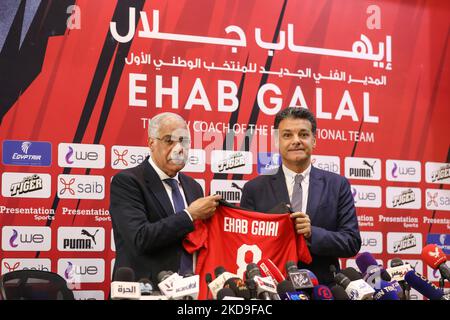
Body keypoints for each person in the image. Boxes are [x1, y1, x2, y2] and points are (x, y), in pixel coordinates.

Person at [240, 107, 361, 285]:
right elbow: (245, 244)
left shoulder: (337, 185)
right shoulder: (254, 189)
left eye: (303, 135)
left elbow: (351, 242)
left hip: (324, 290)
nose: (296, 141)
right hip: (272, 290)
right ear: (276, 141)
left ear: (314, 140)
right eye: (287, 135)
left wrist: (312, 233)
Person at [109, 112, 221, 286]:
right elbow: (140, 238)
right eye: (169, 140)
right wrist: (189, 215)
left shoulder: (194, 187)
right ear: (151, 143)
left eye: (183, 141)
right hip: (145, 291)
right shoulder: (127, 182)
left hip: (189, 292)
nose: (178, 149)